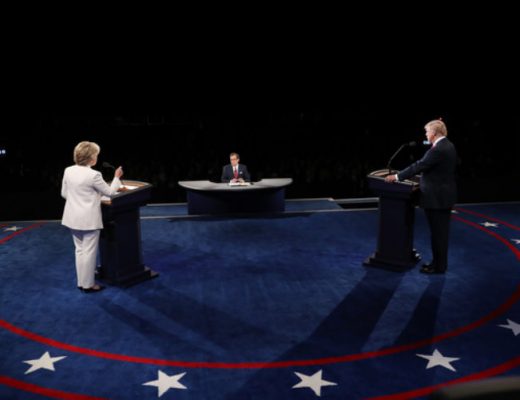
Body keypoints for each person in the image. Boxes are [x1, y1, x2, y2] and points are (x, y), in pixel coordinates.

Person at [385, 119, 457, 274]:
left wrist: (397, 177)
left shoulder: (438, 149)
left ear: (434, 132)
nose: (426, 134)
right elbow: (436, 170)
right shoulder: (448, 145)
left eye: (427, 131)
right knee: (440, 234)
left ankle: (438, 267)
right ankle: (438, 264)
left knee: (438, 235)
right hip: (443, 196)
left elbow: (419, 165)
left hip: (437, 198)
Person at [61, 141, 124, 292]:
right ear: (90, 158)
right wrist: (116, 177)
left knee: (80, 250)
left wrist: (84, 198)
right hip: (88, 219)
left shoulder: (68, 170)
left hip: (72, 217)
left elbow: (64, 194)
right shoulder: (94, 174)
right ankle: (89, 285)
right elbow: (110, 192)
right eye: (96, 155)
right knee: (89, 253)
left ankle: (81, 282)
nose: (97, 157)